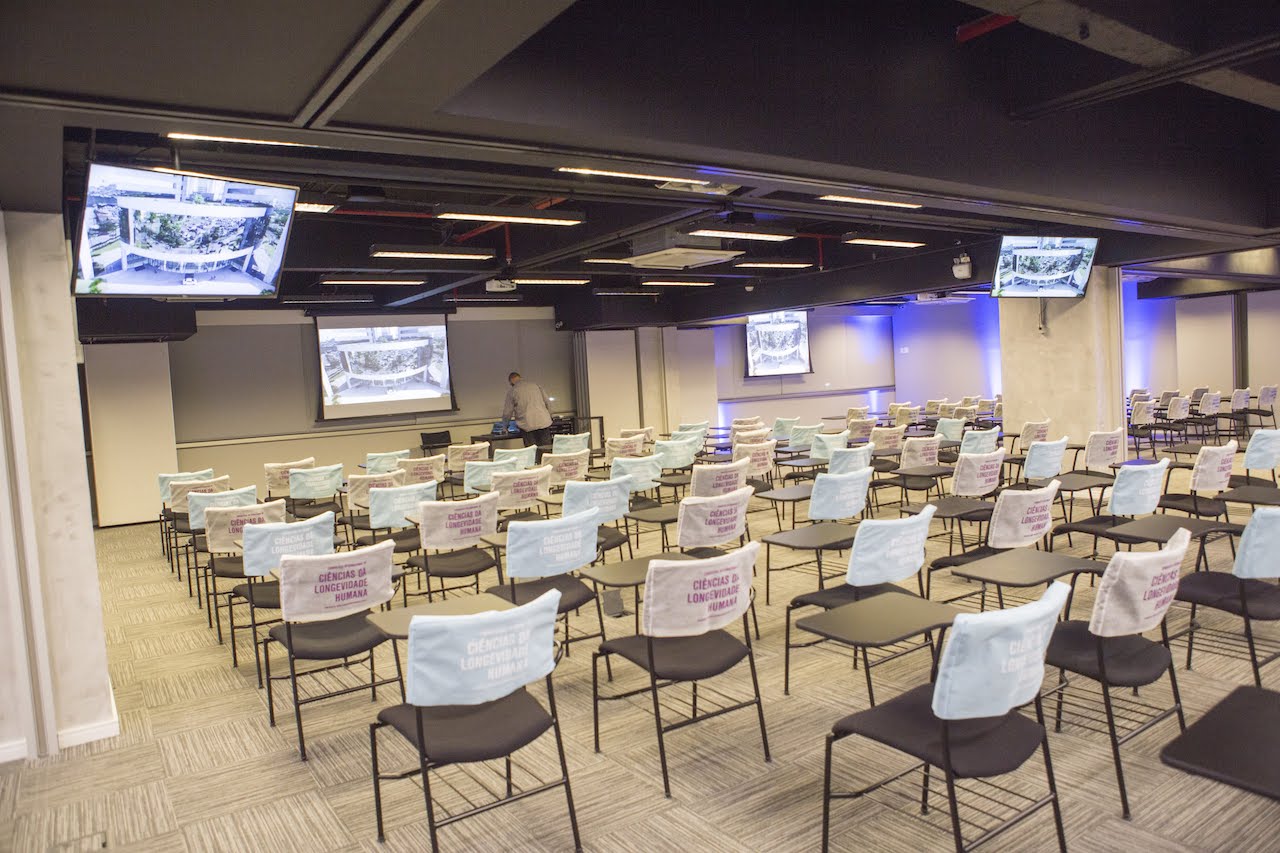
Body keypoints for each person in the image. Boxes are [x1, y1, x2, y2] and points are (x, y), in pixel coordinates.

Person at [501, 372, 554, 448]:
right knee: (546, 450)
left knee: (532, 451)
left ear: (511, 382)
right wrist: (549, 416)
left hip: (527, 425)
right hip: (544, 422)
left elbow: (507, 412)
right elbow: (548, 403)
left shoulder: (513, 391)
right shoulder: (536, 386)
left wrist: (505, 427)